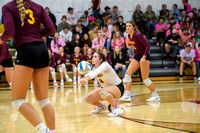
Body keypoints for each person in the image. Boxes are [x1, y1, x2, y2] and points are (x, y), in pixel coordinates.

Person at [0, 0, 56, 132]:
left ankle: (44, 130)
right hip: (42, 50)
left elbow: (9, 33)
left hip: (27, 50)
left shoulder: (8, 7)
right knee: (44, 100)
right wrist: (35, 34)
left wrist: (1, 38)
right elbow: (51, 29)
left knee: (18, 101)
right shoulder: (38, 7)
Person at [119, 21, 160, 102]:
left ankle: (155, 96)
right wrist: (134, 57)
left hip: (144, 56)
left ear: (133, 27)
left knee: (145, 79)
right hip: (137, 57)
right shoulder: (128, 36)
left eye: (130, 26)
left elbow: (147, 45)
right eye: (127, 26)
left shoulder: (137, 34)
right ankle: (127, 95)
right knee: (127, 74)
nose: (128, 27)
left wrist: (144, 57)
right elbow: (136, 48)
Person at [79, 52, 124, 117]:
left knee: (102, 91)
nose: (93, 58)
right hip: (105, 90)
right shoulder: (93, 68)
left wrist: (86, 79)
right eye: (93, 57)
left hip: (118, 88)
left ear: (101, 60)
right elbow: (89, 74)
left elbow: (95, 73)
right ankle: (101, 107)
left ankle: (116, 108)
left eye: (95, 57)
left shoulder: (105, 65)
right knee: (87, 98)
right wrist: (83, 79)